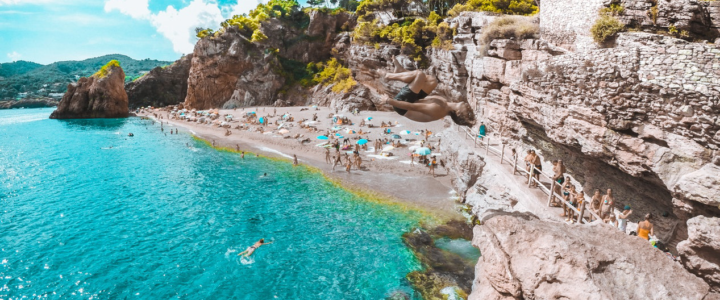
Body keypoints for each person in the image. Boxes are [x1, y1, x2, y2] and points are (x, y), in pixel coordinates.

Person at [380, 57, 475, 126]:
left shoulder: (439, 110)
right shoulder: (445, 105)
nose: (469, 108)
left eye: (468, 112)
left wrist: (389, 101)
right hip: (415, 100)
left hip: (403, 104)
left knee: (420, 75)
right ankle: (401, 71)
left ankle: (388, 75)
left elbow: (412, 107)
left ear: (458, 112)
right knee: (432, 81)